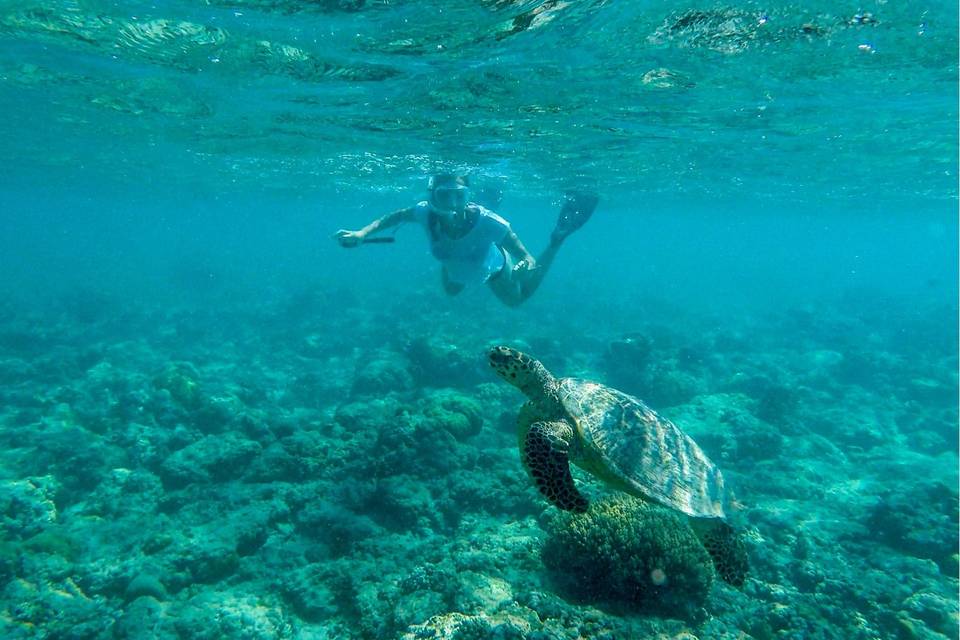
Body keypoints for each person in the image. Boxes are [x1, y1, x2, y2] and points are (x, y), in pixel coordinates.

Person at [334, 174, 597, 307]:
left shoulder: (490, 222)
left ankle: (557, 239)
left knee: (518, 299)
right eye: (444, 196)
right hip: (457, 265)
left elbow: (525, 256)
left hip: (493, 268)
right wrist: (362, 234)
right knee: (451, 291)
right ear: (432, 196)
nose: (453, 204)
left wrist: (524, 265)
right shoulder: (425, 212)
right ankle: (459, 253)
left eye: (459, 196)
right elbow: (393, 217)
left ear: (467, 196)